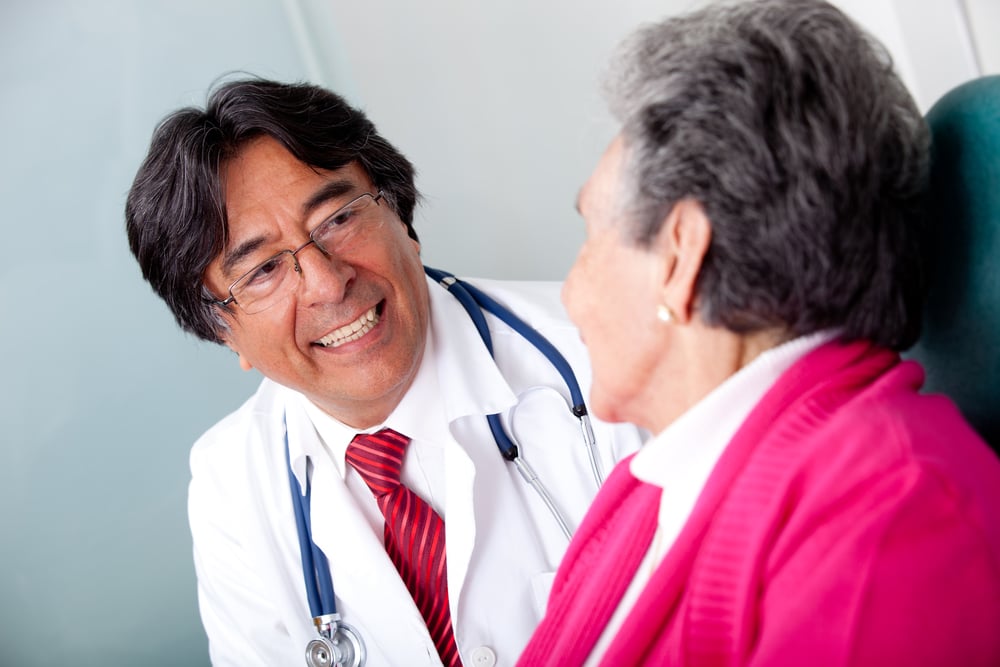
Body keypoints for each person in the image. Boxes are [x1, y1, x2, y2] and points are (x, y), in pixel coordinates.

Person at [518, 0, 1000, 665]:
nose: (570, 286)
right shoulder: (641, 491)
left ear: (680, 257)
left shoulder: (894, 512)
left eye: (591, 233)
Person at [125, 78, 643, 667]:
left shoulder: (604, 350)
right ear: (222, 330)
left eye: (338, 219)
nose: (325, 281)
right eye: (265, 269)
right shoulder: (231, 482)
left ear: (398, 212)